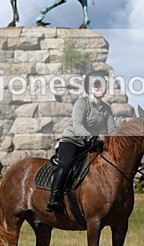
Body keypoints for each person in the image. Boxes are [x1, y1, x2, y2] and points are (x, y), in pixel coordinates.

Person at [47, 71, 117, 213]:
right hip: (72, 141)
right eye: (96, 85)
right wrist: (91, 138)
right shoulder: (82, 103)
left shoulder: (106, 109)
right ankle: (54, 198)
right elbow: (78, 125)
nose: (99, 88)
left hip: (90, 144)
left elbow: (112, 131)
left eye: (101, 85)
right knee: (66, 165)